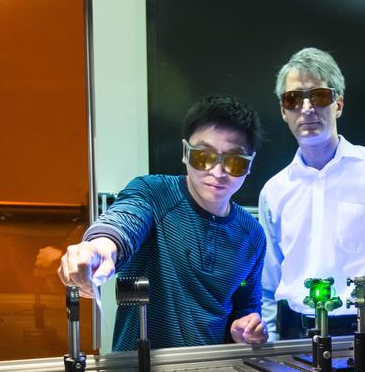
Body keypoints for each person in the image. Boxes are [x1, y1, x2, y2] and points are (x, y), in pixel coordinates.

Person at [59, 95, 268, 351]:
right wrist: (99, 248)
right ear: (185, 152)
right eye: (203, 157)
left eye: (234, 162)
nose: (217, 172)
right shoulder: (154, 193)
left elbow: (246, 303)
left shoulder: (252, 234)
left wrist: (247, 327)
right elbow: (125, 219)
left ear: (249, 165)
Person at [259, 47, 365, 341]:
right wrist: (271, 343)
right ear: (283, 111)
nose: (306, 109)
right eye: (293, 99)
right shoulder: (274, 191)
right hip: (295, 333)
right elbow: (268, 282)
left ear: (338, 104)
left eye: (318, 96)